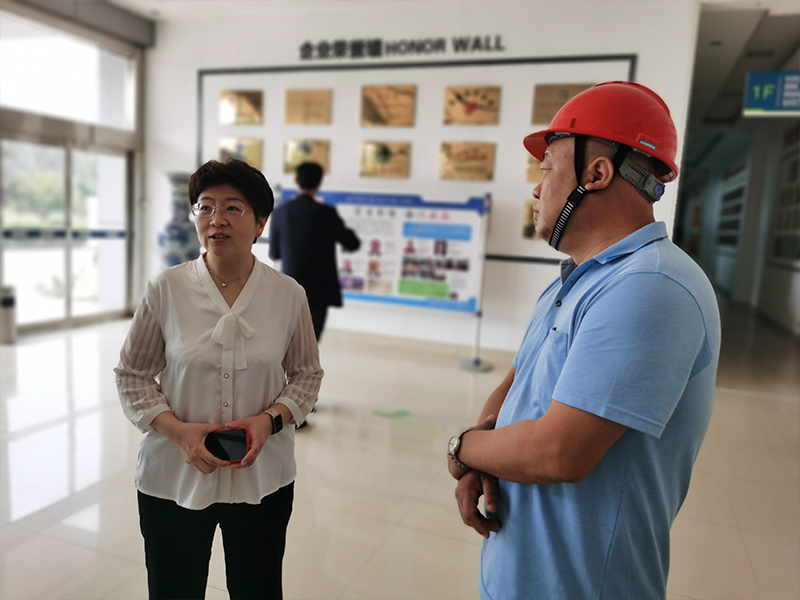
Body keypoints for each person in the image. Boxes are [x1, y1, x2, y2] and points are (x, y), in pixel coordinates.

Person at [446, 81, 721, 600]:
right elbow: (515, 382)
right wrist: (483, 459)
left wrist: (463, 448)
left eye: (546, 168)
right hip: (516, 576)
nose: (536, 189)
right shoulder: (578, 278)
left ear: (596, 174)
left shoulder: (650, 286)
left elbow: (560, 452)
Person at [115, 158, 322, 600]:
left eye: (233, 208)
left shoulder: (288, 295)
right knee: (174, 589)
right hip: (173, 476)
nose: (216, 219)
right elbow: (132, 375)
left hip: (262, 479)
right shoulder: (166, 289)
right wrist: (179, 433)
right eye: (205, 207)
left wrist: (269, 421)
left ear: (261, 222)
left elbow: (306, 375)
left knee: (257, 589)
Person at [268, 161, 361, 342]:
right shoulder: (327, 213)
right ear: (319, 184)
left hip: (290, 287)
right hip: (320, 290)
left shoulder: (280, 212)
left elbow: (275, 254)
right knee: (310, 343)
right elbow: (352, 243)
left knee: (287, 342)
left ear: (296, 180)